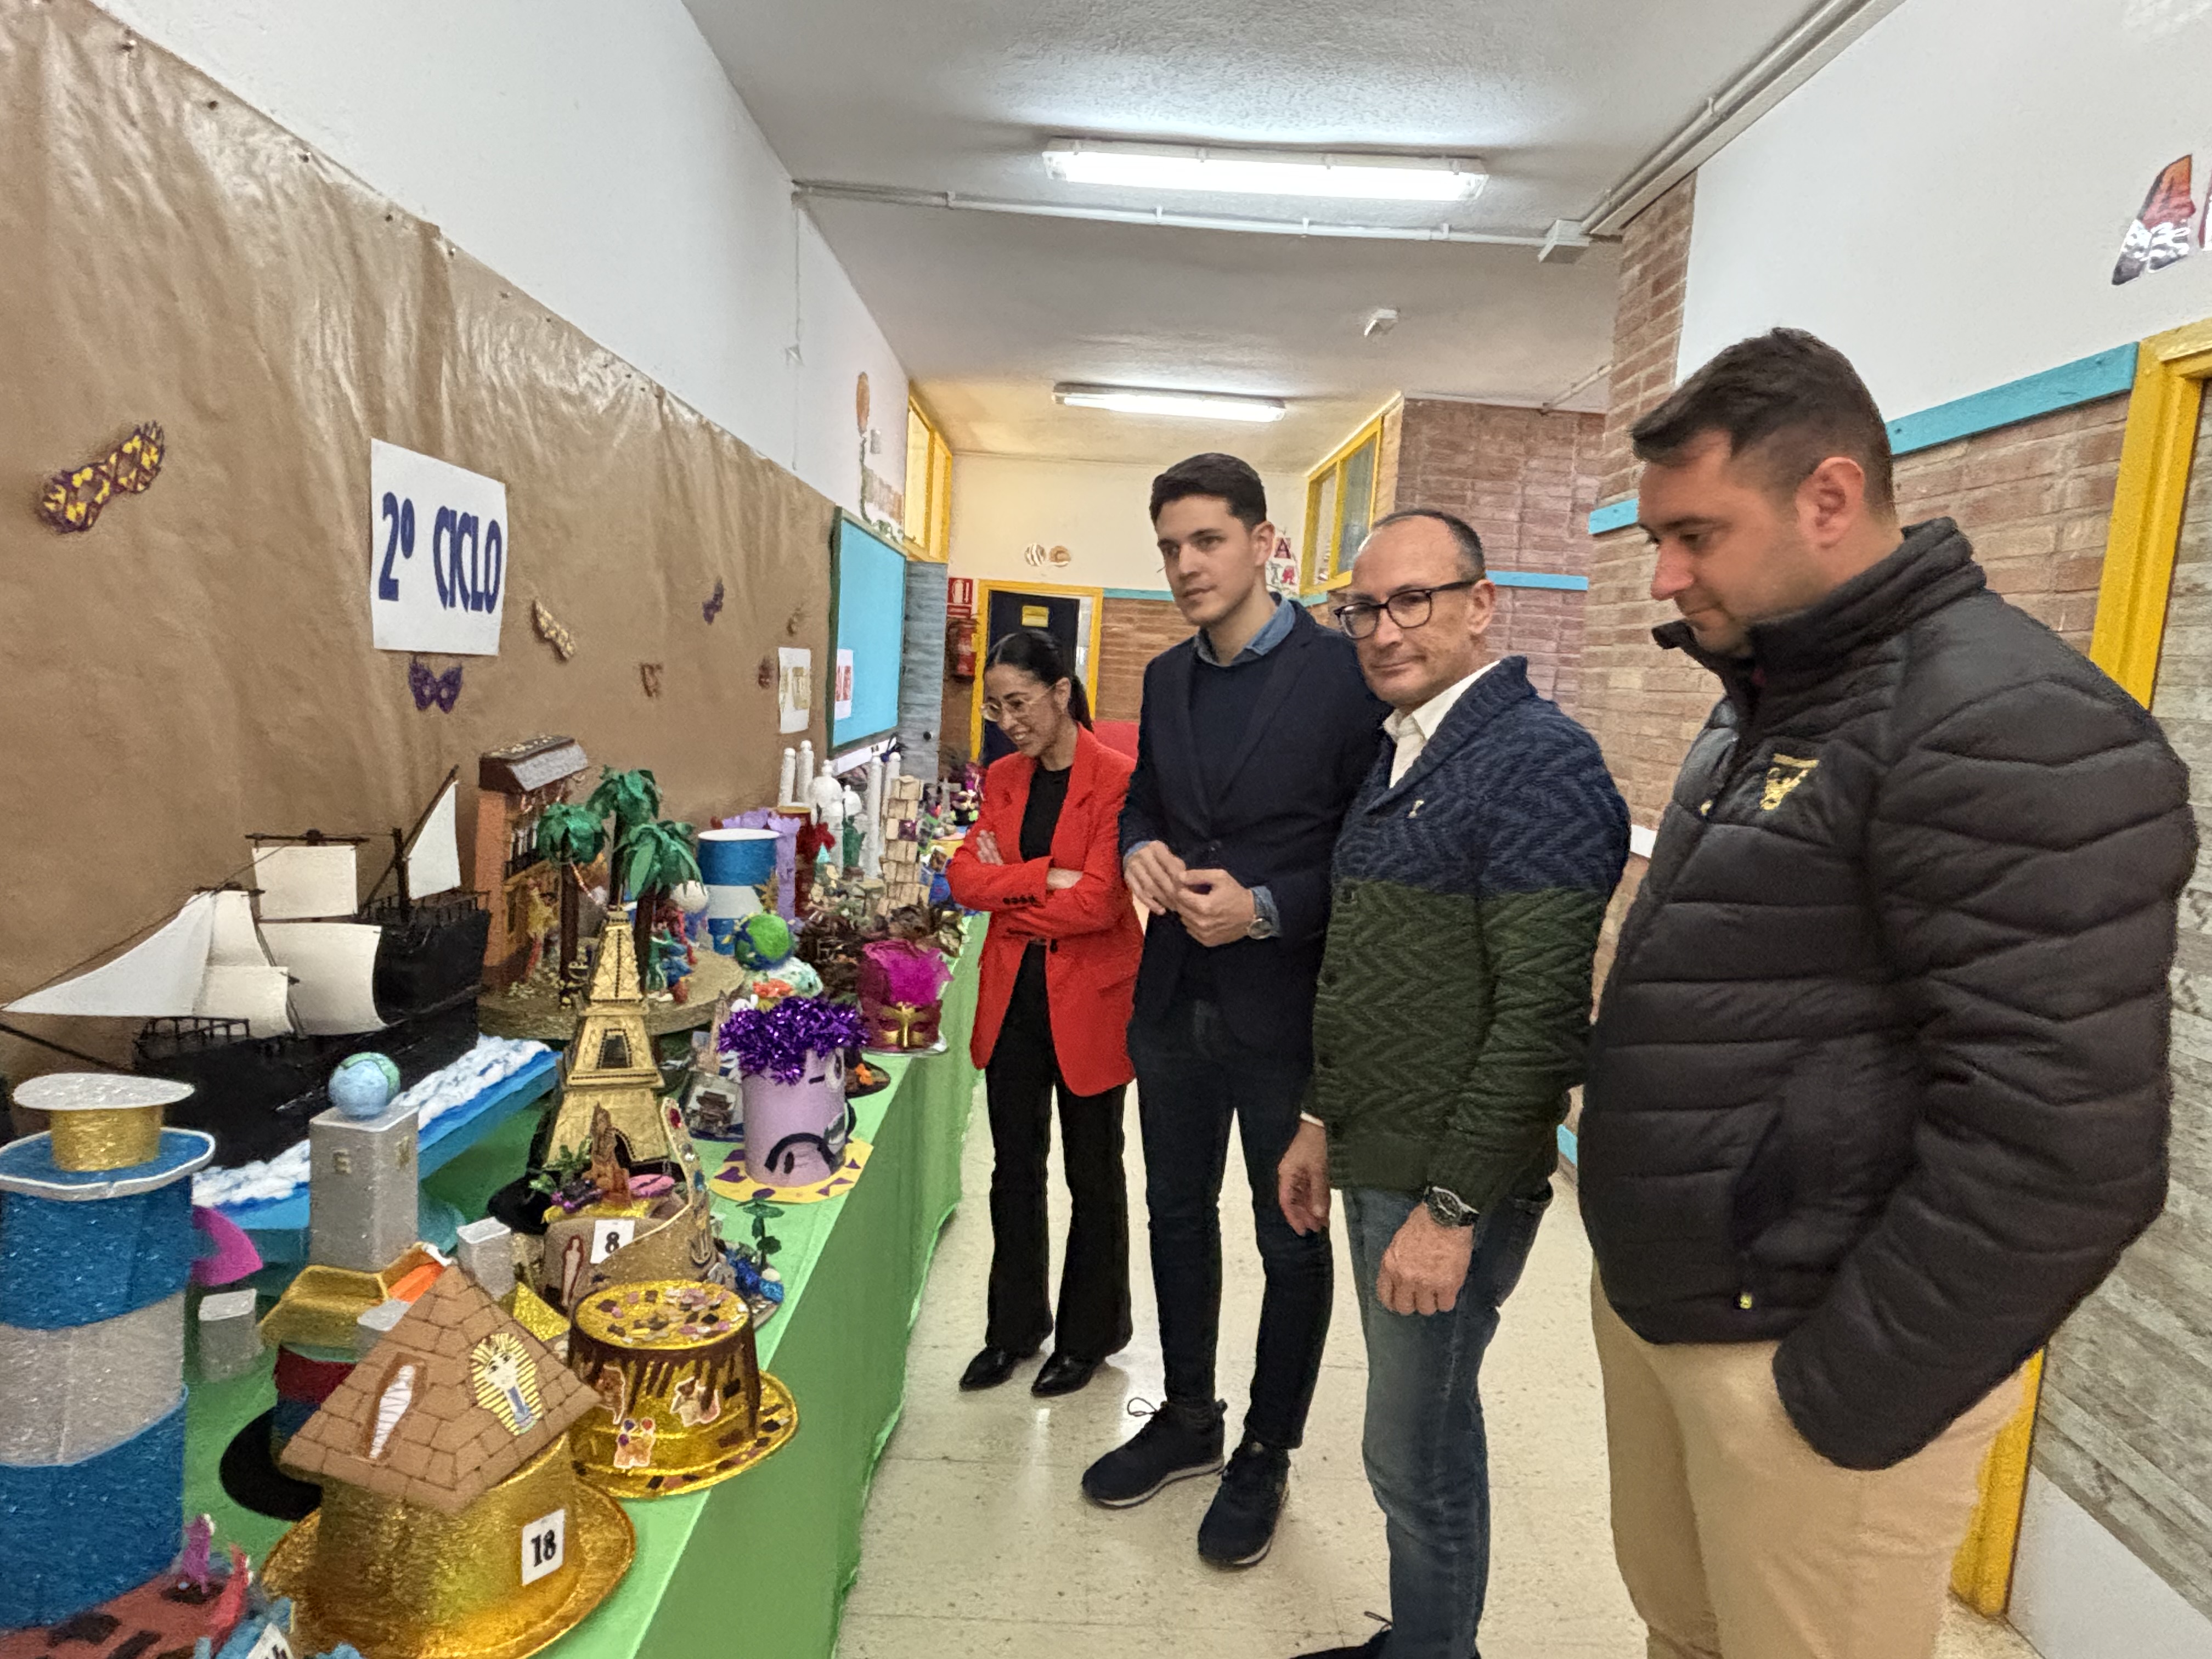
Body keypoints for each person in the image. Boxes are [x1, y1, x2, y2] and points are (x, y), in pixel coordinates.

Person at [1578, 328, 2194, 1659]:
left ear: (1832, 497)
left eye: (1695, 534)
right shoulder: (1768, 695)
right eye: (1656, 540)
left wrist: (1835, 1402)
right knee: (1682, 1637)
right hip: (1680, 1311)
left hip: (1803, 1361)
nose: (1668, 576)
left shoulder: (2011, 720)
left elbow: (2066, 1148)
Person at [1276, 511, 1627, 1659]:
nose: (1385, 630)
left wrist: (1455, 1209)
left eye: (1414, 600)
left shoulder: (1541, 762)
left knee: (1414, 1446)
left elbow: (1540, 1024)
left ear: (1484, 604)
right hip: (1379, 1150)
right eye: (1365, 608)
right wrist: (1322, 1117)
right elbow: (1368, 968)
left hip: (1447, 1177)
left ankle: (1436, 1651)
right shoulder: (1403, 746)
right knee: (1408, 1434)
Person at [1080, 452, 1387, 1568]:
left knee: (1288, 1239)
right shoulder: (1166, 681)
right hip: (1172, 1007)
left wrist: (1263, 908)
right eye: (1169, 547)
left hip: (1283, 1013)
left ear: (1267, 544)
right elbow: (1145, 805)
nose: (1185, 566)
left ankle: (1266, 1447)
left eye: (1207, 540)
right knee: (1173, 1214)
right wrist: (1141, 851)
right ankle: (1191, 1416)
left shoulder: (1344, 678)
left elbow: (1369, 852)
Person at [946, 629, 1144, 1398]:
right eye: (996, 708)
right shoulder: (1003, 778)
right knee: (1013, 1170)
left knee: (1094, 1175)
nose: (1007, 721)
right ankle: (1014, 1330)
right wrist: (1044, 879)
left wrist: (1014, 894)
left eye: (1019, 703)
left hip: (1090, 1006)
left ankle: (1090, 1335)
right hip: (1015, 1006)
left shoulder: (1120, 779)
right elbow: (965, 880)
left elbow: (1100, 902)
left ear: (1062, 693)